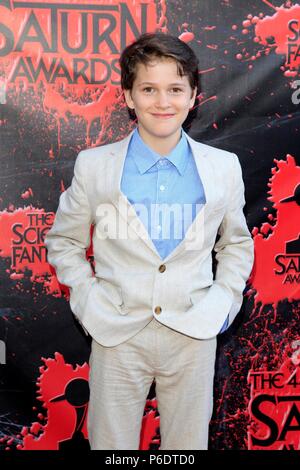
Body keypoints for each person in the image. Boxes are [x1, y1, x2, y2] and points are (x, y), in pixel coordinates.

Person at [44, 32, 254, 450]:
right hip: (116, 333)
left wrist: (222, 304)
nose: (163, 102)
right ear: (128, 96)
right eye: (149, 89)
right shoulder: (95, 166)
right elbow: (63, 241)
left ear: (193, 96)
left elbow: (235, 244)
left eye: (175, 89)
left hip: (192, 334)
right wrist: (89, 300)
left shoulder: (223, 168)